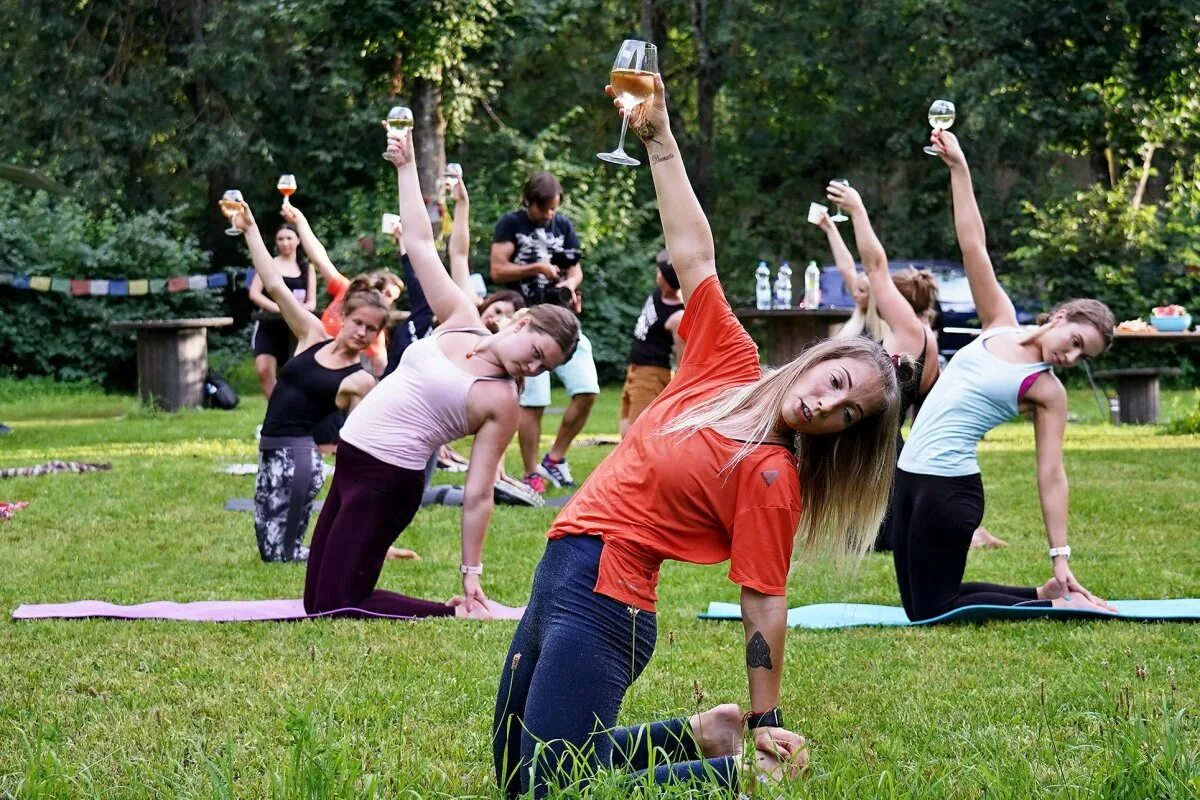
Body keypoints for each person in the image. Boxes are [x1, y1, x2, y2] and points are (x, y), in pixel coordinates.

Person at [493, 74, 908, 798]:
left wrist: (767, 715)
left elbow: (764, 600)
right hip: (560, 569)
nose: (826, 407)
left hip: (608, 603)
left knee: (543, 791)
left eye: (847, 416)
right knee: (514, 774)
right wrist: (660, 139)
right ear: (821, 359)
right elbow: (694, 255)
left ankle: (734, 773)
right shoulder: (728, 365)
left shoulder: (773, 475)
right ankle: (695, 733)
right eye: (836, 385)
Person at [302, 123, 580, 621]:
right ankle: (444, 609)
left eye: (545, 367)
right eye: (535, 350)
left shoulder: (501, 400)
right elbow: (421, 243)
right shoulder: (460, 318)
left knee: (332, 605)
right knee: (315, 600)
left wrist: (471, 576)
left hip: (388, 479)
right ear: (520, 320)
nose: (533, 366)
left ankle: (454, 611)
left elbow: (477, 493)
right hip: (351, 459)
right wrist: (407, 168)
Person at [888, 128, 1117, 621]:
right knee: (919, 605)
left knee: (931, 609)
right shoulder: (1000, 322)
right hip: (909, 477)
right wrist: (959, 169)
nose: (1071, 357)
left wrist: (1062, 554)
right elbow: (974, 244)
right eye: (1075, 342)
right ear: (1059, 317)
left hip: (949, 488)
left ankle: (1056, 589)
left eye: (1083, 357)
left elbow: (1051, 474)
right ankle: (1046, 594)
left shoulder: (1046, 390)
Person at [231, 200, 384, 563]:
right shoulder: (313, 333)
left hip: (298, 460)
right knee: (272, 552)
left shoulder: (360, 380)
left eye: (372, 329)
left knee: (280, 556)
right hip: (269, 452)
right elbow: (273, 284)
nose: (362, 332)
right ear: (344, 317)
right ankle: (340, 550)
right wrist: (250, 228)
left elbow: (359, 446)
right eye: (358, 322)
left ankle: (349, 551)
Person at [823, 182, 941, 551]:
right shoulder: (909, 336)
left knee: (876, 540)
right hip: (880, 451)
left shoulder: (910, 333)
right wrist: (830, 228)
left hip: (885, 455)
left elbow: (875, 266)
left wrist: (857, 211)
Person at [491, 171, 598, 493]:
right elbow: (497, 269)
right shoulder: (512, 224)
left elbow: (576, 268)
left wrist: (570, 283)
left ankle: (556, 458)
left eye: (554, 208)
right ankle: (531, 471)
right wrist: (536, 268)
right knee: (534, 401)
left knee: (587, 389)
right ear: (529, 202)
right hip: (529, 321)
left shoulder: (563, 226)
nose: (550, 215)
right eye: (544, 209)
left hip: (564, 321)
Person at [618, 250, 684, 438]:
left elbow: (682, 357)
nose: (657, 273)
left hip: (651, 375)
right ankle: (624, 458)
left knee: (638, 429)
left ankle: (634, 464)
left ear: (666, 280)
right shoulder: (660, 294)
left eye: (660, 272)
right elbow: (666, 253)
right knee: (626, 418)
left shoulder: (678, 316)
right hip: (635, 370)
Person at [247, 223, 317, 398]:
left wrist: (297, 311)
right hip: (268, 325)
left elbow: (312, 302)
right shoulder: (268, 264)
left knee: (295, 375)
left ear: (298, 241)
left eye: (289, 238)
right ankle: (273, 415)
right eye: (280, 239)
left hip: (295, 328)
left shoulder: (307, 268)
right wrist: (280, 308)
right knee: (264, 370)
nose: (285, 243)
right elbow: (255, 294)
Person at [821, 211, 889, 343]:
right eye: (855, 289)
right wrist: (830, 228)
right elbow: (846, 267)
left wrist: (857, 212)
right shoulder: (859, 313)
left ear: (873, 296)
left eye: (861, 291)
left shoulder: (881, 322)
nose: (855, 294)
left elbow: (875, 263)